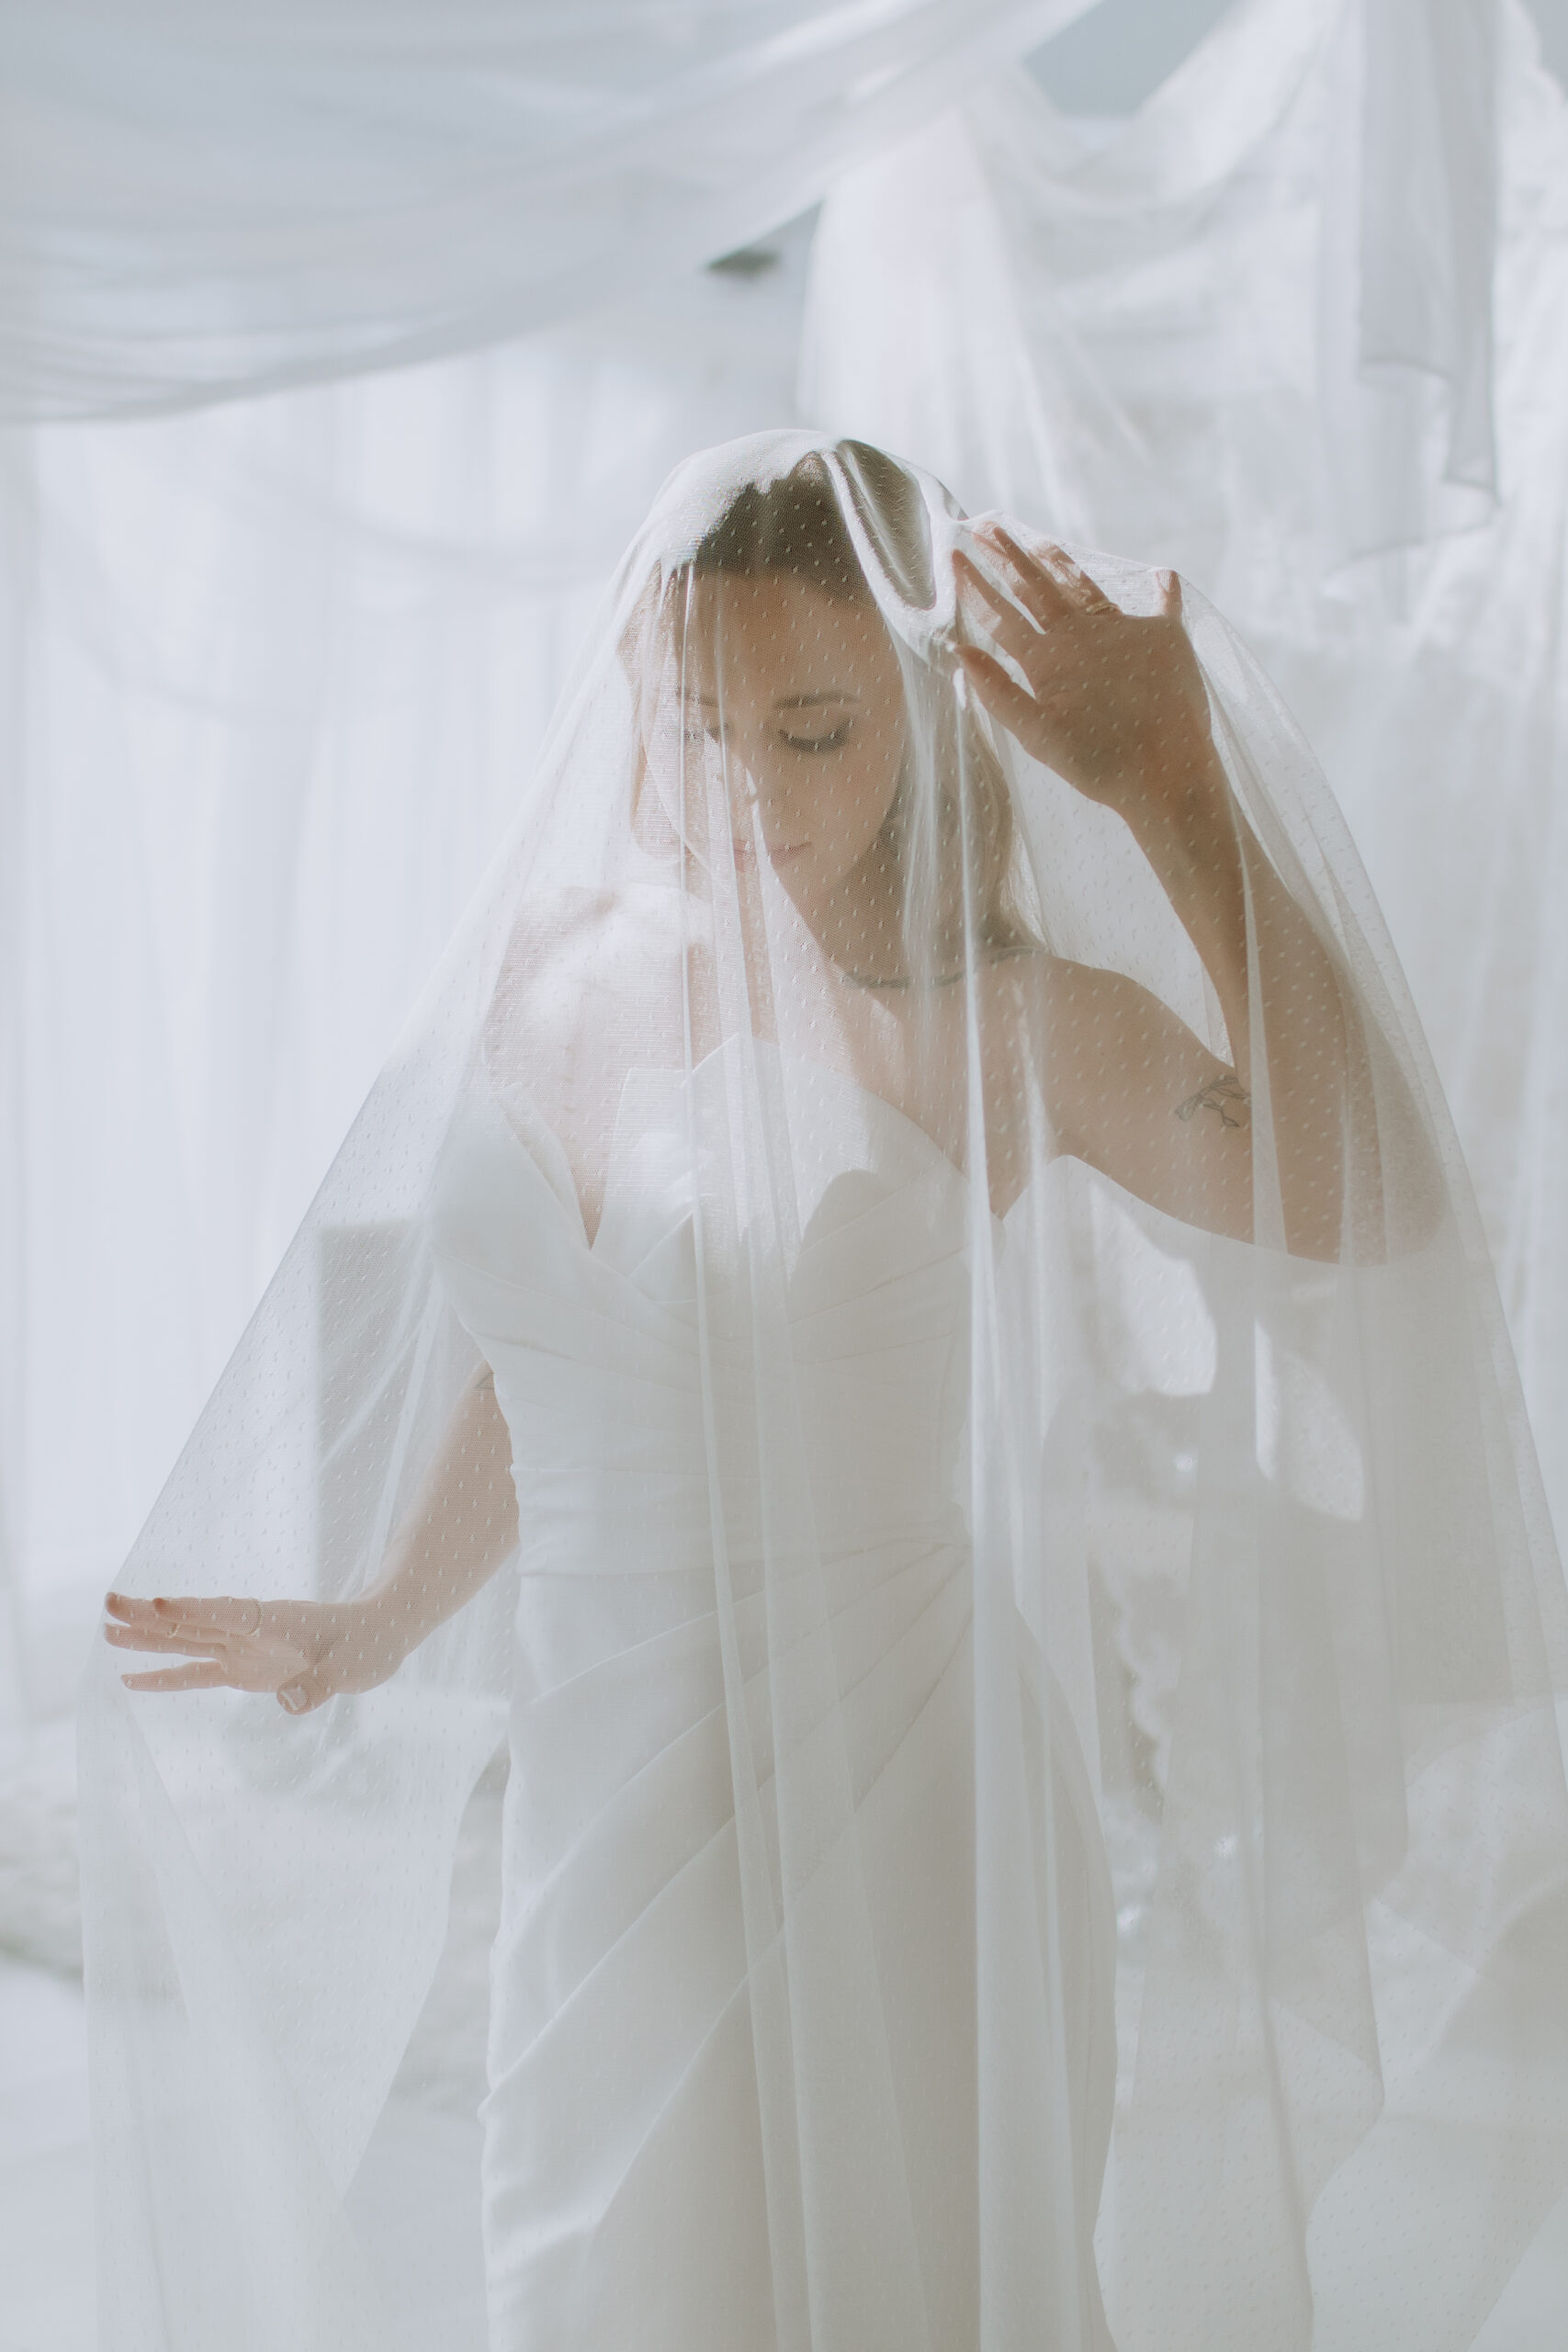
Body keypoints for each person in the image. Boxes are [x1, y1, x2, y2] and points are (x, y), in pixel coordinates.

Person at [88, 435, 1568, 2352]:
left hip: (883, 1800)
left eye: (810, 732)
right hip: (598, 1801)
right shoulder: (555, 957)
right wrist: (375, 1617)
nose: (741, 794)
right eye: (697, 726)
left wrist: (1178, 796)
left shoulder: (999, 1024)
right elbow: (579, 1366)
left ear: (916, 715)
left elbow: (1366, 1194)